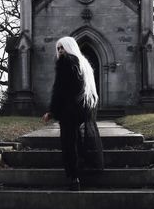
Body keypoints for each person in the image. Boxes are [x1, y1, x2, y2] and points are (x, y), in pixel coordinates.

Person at [42, 36, 104, 191]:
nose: (60, 51)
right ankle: (82, 171)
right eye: (58, 48)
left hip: (68, 111)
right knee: (76, 140)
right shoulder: (84, 64)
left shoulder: (64, 63)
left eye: (62, 47)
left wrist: (52, 111)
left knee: (68, 143)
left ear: (70, 47)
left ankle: (74, 177)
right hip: (81, 110)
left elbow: (59, 90)